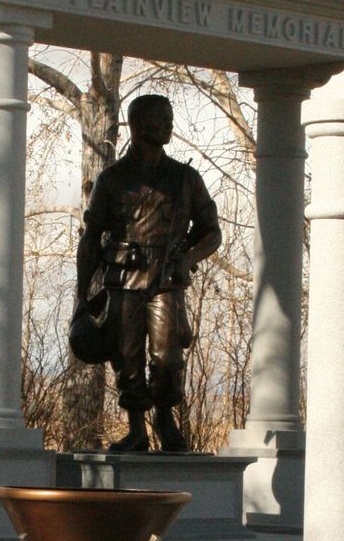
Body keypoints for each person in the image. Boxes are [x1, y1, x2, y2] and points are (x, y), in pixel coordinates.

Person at [74, 94, 221, 452]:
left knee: (168, 357)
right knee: (126, 358)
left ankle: (165, 420)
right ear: (139, 125)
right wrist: (82, 293)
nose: (169, 125)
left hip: (167, 279)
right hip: (124, 278)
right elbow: (91, 238)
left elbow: (212, 231)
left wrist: (187, 260)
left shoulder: (186, 178)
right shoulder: (112, 180)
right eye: (161, 119)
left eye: (170, 118)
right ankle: (136, 429)